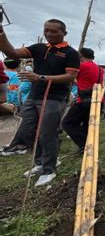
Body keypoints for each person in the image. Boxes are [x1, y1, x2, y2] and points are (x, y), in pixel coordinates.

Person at [0, 19, 80, 186]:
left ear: (64, 33)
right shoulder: (38, 48)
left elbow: (70, 77)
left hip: (54, 98)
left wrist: (41, 78)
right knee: (26, 130)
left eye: (54, 31)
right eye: (46, 30)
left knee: (46, 132)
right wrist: (1, 32)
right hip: (34, 96)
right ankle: (40, 162)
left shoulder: (70, 53)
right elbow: (12, 53)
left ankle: (48, 169)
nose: (49, 34)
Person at [62, 48, 104, 152]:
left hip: (84, 101)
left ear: (80, 56)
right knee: (87, 125)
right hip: (97, 99)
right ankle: (89, 147)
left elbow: (70, 77)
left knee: (67, 123)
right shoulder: (100, 69)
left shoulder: (81, 66)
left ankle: (84, 145)